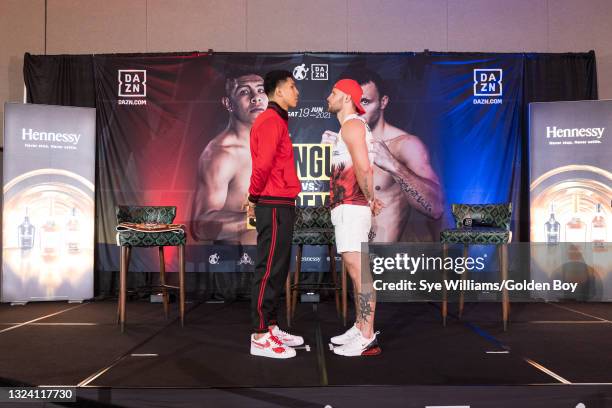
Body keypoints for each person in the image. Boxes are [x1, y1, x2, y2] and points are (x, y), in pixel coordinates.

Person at [322, 70, 443, 242]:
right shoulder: (343, 144)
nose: (358, 109)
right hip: (349, 249)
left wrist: (393, 165)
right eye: (354, 102)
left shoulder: (405, 145)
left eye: (365, 102)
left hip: (384, 260)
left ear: (383, 102)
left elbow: (436, 208)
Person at [246, 70, 303, 359]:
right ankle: (259, 335)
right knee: (268, 269)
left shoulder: (277, 120)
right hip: (272, 203)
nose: (297, 92)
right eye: (292, 87)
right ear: (278, 92)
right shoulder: (269, 121)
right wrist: (253, 197)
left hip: (280, 203)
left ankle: (270, 325)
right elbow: (263, 166)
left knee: (277, 269)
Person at [325, 78, 384, 357]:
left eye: (334, 92)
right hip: (348, 205)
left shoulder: (352, 125)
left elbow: (363, 166)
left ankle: (366, 335)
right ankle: (360, 325)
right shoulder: (351, 127)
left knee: (360, 273)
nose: (329, 96)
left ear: (347, 97)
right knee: (354, 270)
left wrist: (370, 199)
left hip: (352, 205)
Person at [191, 70, 268, 244]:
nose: (256, 97)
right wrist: (256, 218)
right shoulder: (221, 153)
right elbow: (200, 226)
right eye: (244, 92)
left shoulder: (274, 144)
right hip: (236, 264)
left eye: (261, 90)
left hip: (274, 261)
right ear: (228, 103)